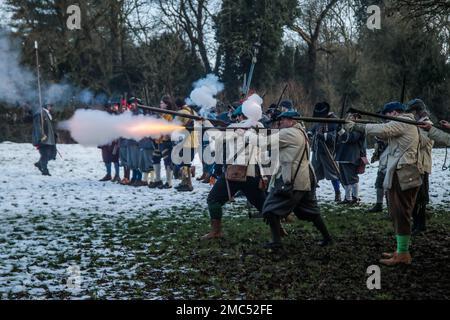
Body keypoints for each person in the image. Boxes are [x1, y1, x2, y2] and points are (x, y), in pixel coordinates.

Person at [346, 102, 421, 266]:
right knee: (397, 213)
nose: (386, 120)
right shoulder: (403, 122)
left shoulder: (403, 122)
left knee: (401, 214)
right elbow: (383, 133)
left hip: (404, 174)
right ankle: (401, 251)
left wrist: (356, 127)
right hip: (400, 173)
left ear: (394, 113)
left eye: (387, 116)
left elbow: (383, 130)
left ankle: (403, 254)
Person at [250, 111, 333, 249]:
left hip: (293, 180)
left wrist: (251, 132)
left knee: (270, 209)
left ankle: (276, 242)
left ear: (292, 121)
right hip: (303, 178)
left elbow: (264, 143)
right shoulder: (299, 131)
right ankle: (327, 238)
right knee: (311, 211)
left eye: (283, 119)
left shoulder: (289, 133)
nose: (280, 122)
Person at [202, 103, 266, 240]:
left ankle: (216, 231)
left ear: (241, 116)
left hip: (234, 174)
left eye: (238, 116)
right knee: (264, 205)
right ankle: (279, 229)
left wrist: (205, 122)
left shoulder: (234, 127)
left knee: (213, 199)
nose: (236, 118)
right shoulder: (259, 126)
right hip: (253, 173)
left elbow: (216, 137)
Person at [406, 99, 434, 234]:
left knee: (420, 197)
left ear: (416, 111)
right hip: (416, 164)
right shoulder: (418, 123)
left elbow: (421, 142)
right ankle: (416, 224)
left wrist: (410, 130)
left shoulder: (427, 124)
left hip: (422, 165)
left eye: (412, 112)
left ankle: (420, 225)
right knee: (415, 197)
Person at [309, 102, 342, 202]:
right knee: (313, 174)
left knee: (333, 174)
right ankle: (312, 194)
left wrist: (324, 136)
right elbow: (314, 128)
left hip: (329, 152)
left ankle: (337, 194)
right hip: (317, 151)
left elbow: (336, 135)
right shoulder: (320, 119)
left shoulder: (334, 120)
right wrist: (310, 133)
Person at [335, 113, 367, 205]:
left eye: (353, 117)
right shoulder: (346, 127)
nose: (350, 118)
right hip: (343, 156)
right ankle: (348, 198)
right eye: (350, 116)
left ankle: (355, 198)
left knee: (352, 179)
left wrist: (340, 130)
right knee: (345, 179)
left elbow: (350, 138)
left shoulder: (359, 129)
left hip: (352, 156)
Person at [173, 99, 200, 192]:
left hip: (186, 141)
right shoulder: (193, 112)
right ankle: (186, 183)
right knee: (186, 163)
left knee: (185, 163)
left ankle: (187, 184)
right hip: (193, 141)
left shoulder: (182, 112)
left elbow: (175, 125)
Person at [149, 95, 175, 189]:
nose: (160, 104)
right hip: (158, 141)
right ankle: (158, 180)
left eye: (162, 103)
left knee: (167, 161)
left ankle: (169, 182)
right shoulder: (161, 114)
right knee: (155, 158)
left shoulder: (169, 115)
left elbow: (169, 128)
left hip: (166, 141)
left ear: (167, 105)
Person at [32, 104, 57, 176]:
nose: (51, 107)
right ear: (46, 106)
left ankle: (40, 164)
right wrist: (41, 136)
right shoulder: (39, 114)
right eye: (50, 105)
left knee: (53, 154)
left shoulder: (47, 114)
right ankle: (44, 170)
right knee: (45, 155)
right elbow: (37, 126)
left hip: (50, 139)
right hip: (43, 139)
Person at [367, 136, 388, 213]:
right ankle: (379, 204)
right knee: (379, 184)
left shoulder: (392, 142)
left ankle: (391, 207)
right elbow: (378, 153)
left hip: (391, 165)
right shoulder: (380, 143)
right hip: (383, 165)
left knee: (389, 187)